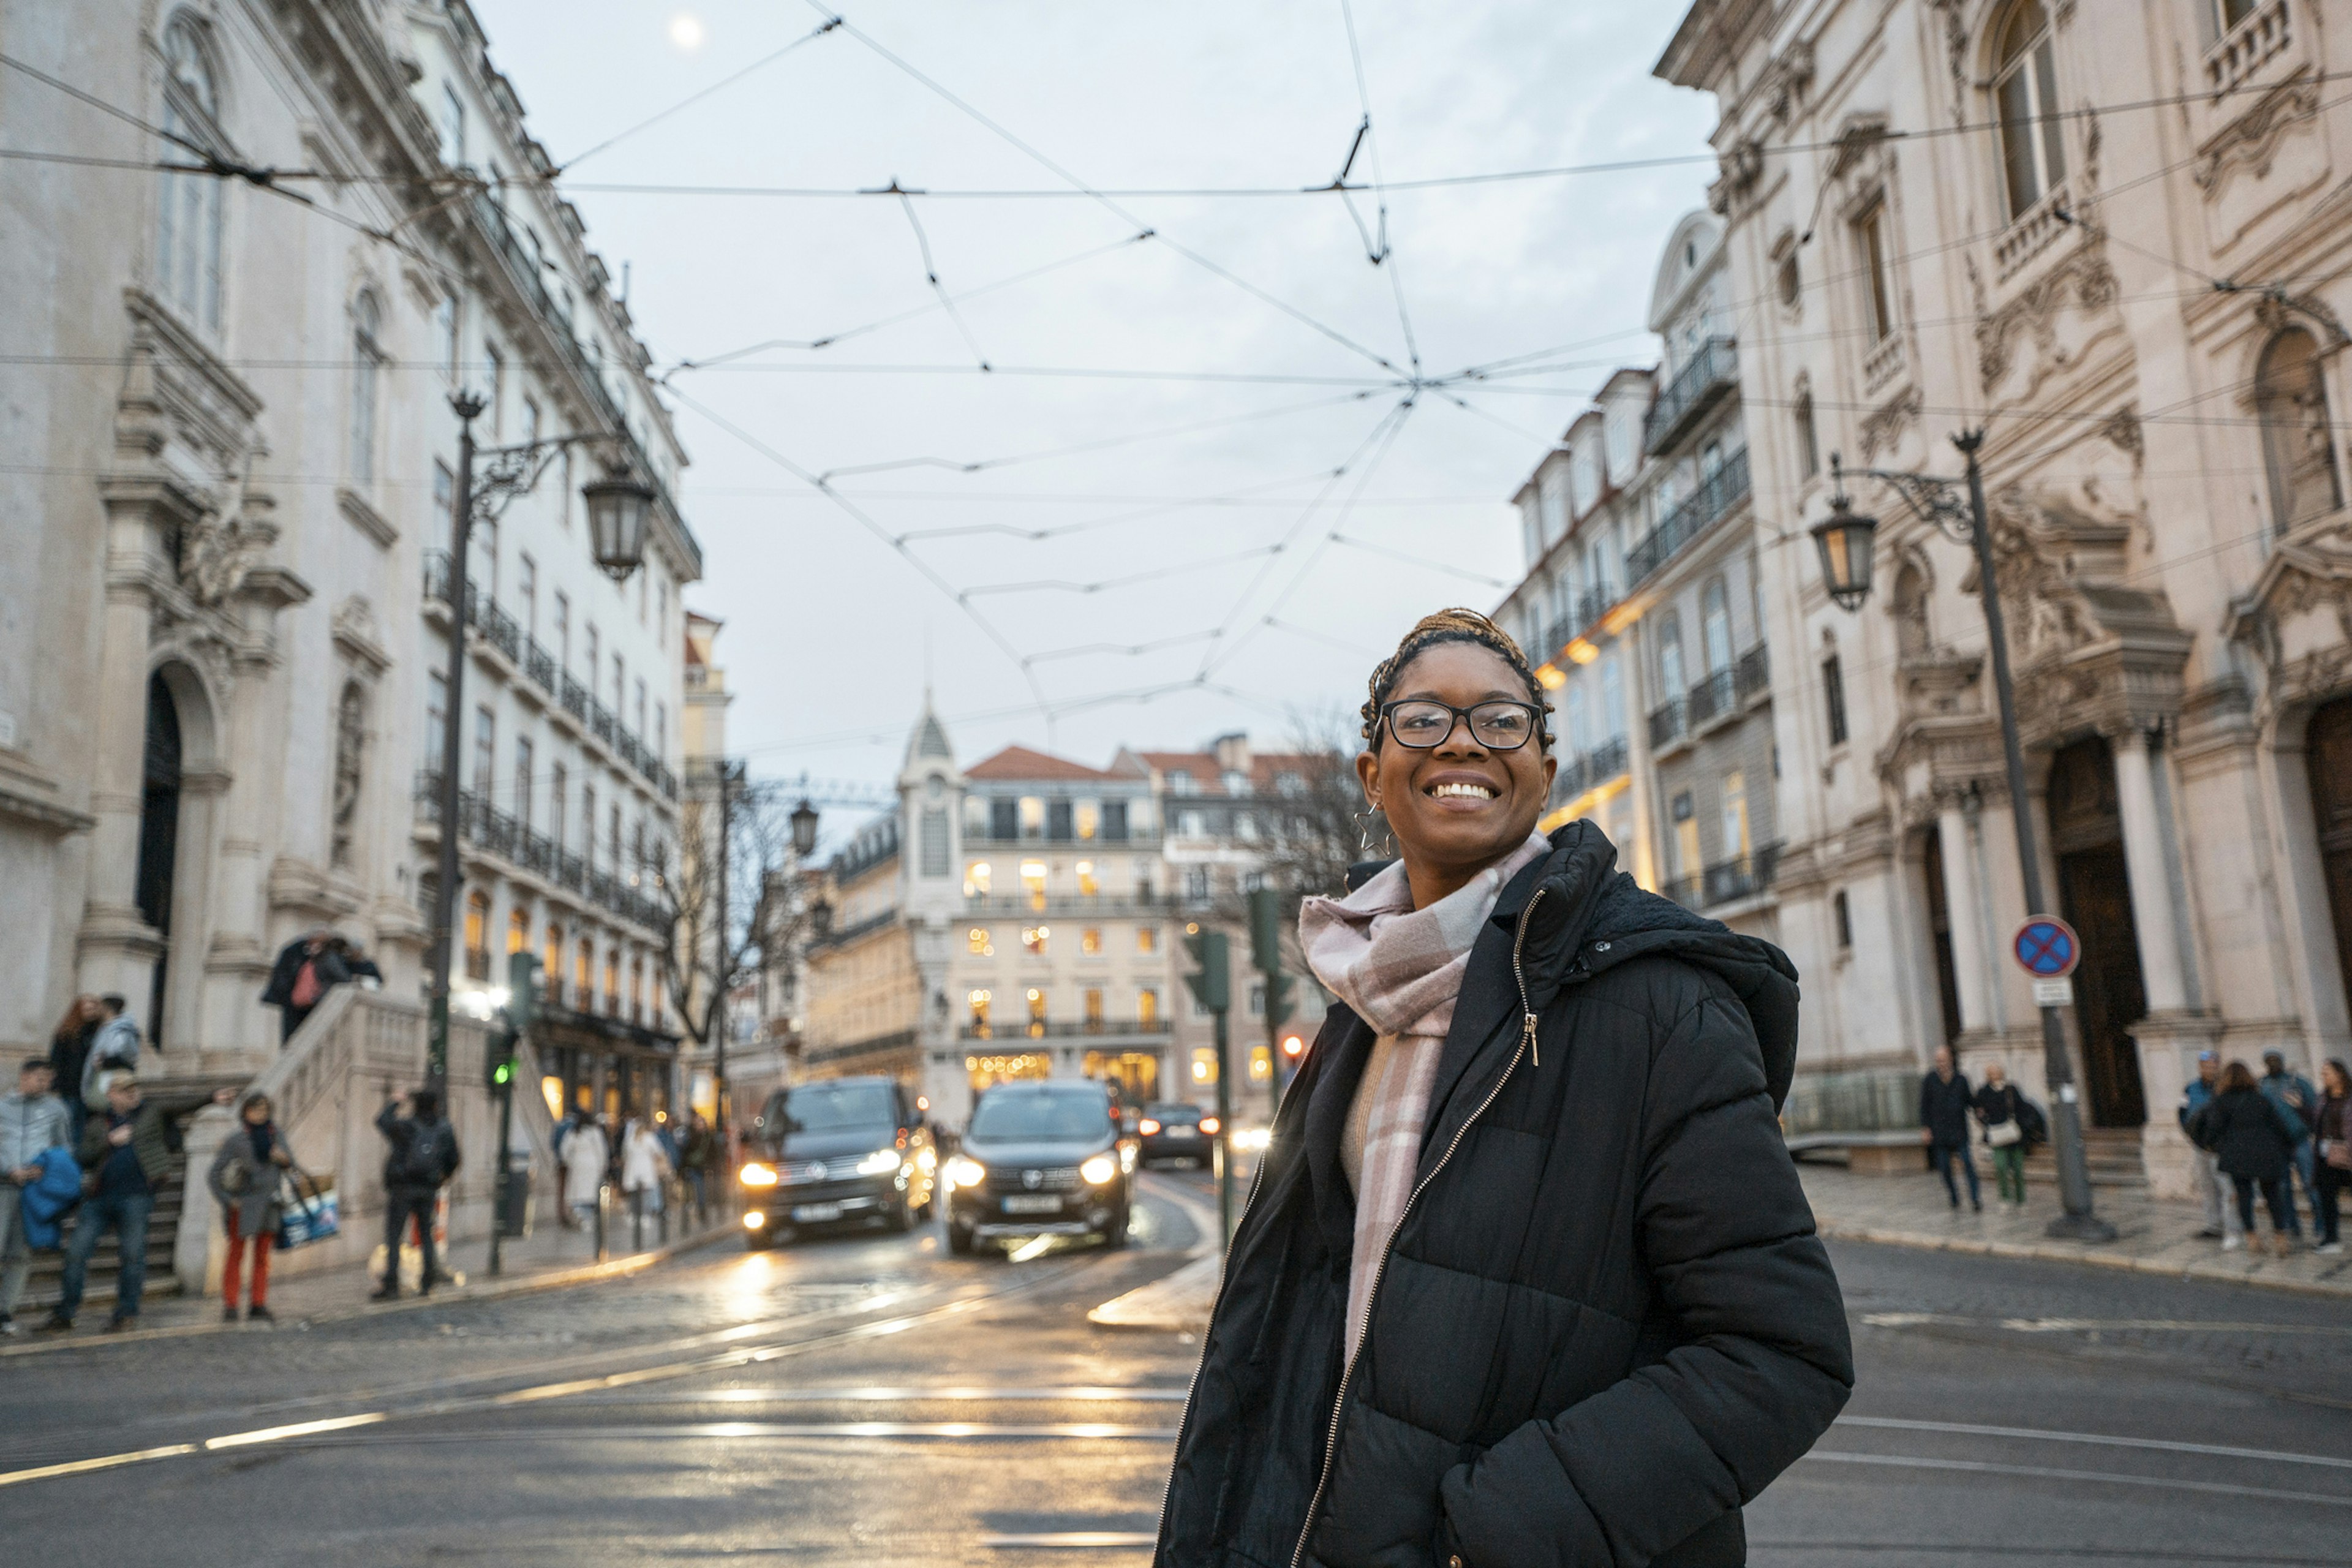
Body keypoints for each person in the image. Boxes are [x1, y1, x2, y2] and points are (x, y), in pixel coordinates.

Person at [1157, 610, 1852, 1568]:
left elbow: (1783, 1353)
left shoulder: (1665, 1004)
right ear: (1373, 775)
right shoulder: (1362, 998)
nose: (1462, 744)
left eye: (1499, 721)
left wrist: (1495, 1533)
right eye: (1423, 721)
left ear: (1543, 769)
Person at [42, 1074, 179, 1333]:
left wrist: (211, 1098)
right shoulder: (98, 1123)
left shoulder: (149, 1117)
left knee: (132, 1256)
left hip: (137, 1197)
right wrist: (110, 1141)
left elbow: (180, 1110)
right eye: (124, 1090)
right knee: (75, 1254)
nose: (132, 1094)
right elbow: (82, 1156)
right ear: (111, 1095)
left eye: (134, 1089)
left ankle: (126, 1313)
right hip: (99, 1198)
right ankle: (66, 1311)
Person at [2191, 1060, 2304, 1256]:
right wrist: (2286, 1148)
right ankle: (2280, 1238)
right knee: (2273, 1196)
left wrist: (2217, 1147)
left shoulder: (2221, 1101)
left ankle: (2252, 1238)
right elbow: (2279, 1126)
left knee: (2244, 1197)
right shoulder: (2260, 1098)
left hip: (2238, 1154)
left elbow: (2213, 1131)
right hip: (2266, 1152)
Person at [208, 1091, 295, 1324]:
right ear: (246, 1112)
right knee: (236, 1254)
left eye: (265, 1109)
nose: (260, 1114)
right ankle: (231, 1304)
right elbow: (214, 1174)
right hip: (244, 1206)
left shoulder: (276, 1135)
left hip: (270, 1204)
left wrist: (282, 1158)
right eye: (256, 1109)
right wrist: (229, 1201)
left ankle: (258, 1303)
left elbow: (291, 1164)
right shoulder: (236, 1140)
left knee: (262, 1257)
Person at [1, 1059, 72, 1335]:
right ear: (24, 1076)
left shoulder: (56, 1109)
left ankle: (5, 1312)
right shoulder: (3, 1107)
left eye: (48, 1079)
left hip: (34, 1192)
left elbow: (64, 1146)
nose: (45, 1084)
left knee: (21, 1254)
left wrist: (46, 1167)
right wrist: (9, 1169)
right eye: (39, 1077)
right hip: (3, 1186)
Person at [372, 1089, 458, 1300]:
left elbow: (382, 1121)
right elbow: (454, 1158)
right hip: (428, 1188)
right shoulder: (444, 1129)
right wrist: (442, 1177)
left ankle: (391, 1285)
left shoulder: (406, 1127)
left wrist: (395, 1101)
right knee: (426, 1235)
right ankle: (427, 1282)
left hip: (403, 1187)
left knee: (394, 1236)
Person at [2179, 1050, 2239, 1243]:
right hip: (2200, 1146)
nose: (2210, 1069)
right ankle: (2214, 1225)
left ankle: (2233, 1228)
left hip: (2220, 1147)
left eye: (2213, 1065)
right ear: (2200, 1067)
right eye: (2206, 1065)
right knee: (2208, 1186)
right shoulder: (2191, 1088)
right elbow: (2181, 1112)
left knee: (2227, 1187)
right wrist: (2191, 1135)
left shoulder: (2226, 1088)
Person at [2260, 1050, 2320, 1238]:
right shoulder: (2262, 1086)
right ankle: (2291, 1226)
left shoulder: (2297, 1082)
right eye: (2269, 1061)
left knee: (2310, 1184)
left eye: (2276, 1060)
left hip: (2300, 1140)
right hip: (2276, 1145)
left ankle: (2321, 1224)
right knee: (2282, 1188)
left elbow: (2314, 1108)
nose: (2273, 1064)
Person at [1920, 1046, 1981, 1212]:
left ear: (1950, 1060)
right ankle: (1954, 1196)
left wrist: (1979, 1111)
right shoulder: (1930, 1080)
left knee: (1968, 1163)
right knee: (1945, 1168)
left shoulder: (1961, 1079)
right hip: (1939, 1131)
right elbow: (1924, 1105)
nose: (1941, 1063)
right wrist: (1926, 1128)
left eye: (1944, 1060)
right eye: (1938, 1061)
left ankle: (1975, 1198)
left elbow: (1970, 1100)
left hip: (1959, 1130)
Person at [1973, 1060, 2030, 1208]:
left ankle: (2021, 1198)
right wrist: (1985, 1123)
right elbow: (1978, 1111)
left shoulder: (2011, 1089)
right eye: (1991, 1073)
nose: (1994, 1075)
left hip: (2013, 1134)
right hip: (1996, 1134)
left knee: (2018, 1168)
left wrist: (2021, 1125)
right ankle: (2004, 1197)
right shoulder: (1983, 1091)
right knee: (2001, 1166)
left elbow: (2022, 1108)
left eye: (1996, 1072)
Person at [47, 995, 102, 1145]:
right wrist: (55, 1084)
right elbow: (56, 1061)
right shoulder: (66, 1033)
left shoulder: (98, 1033)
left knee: (81, 1125)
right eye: (87, 1009)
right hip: (69, 1086)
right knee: (68, 1123)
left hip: (88, 1086)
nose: (91, 1013)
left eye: (94, 1009)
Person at [2313, 1059, 2350, 1256]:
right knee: (2327, 1198)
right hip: (2327, 1157)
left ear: (2339, 1074)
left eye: (2327, 1072)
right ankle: (2331, 1239)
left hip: (2348, 1155)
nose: (2323, 1076)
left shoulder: (2349, 1098)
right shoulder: (2323, 1098)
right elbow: (2315, 1122)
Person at [81, 995, 140, 1111]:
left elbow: (129, 1057)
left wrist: (105, 1062)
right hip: (101, 1078)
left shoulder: (122, 1030)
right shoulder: (104, 1028)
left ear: (106, 1008)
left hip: (113, 1079)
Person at [620, 1115, 671, 1243]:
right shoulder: (649, 1138)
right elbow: (659, 1151)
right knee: (647, 1193)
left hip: (633, 1169)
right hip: (646, 1168)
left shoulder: (630, 1139)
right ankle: (645, 1215)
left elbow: (624, 1154)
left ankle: (633, 1214)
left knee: (634, 1194)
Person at [561, 1109, 609, 1230]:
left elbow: (564, 1150)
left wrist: (570, 1162)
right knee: (590, 1194)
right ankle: (586, 1219)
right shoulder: (595, 1133)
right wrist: (603, 1166)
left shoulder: (573, 1133)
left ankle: (580, 1216)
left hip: (577, 1164)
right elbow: (602, 1151)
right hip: (592, 1165)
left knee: (578, 1193)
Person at [679, 1112, 715, 1227]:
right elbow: (685, 1153)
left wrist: (711, 1167)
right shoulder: (691, 1137)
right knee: (692, 1192)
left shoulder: (709, 1138)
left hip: (703, 1169)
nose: (699, 1126)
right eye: (697, 1123)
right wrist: (683, 1168)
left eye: (701, 1123)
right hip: (693, 1168)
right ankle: (691, 1214)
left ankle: (702, 1213)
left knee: (701, 1192)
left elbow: (713, 1154)